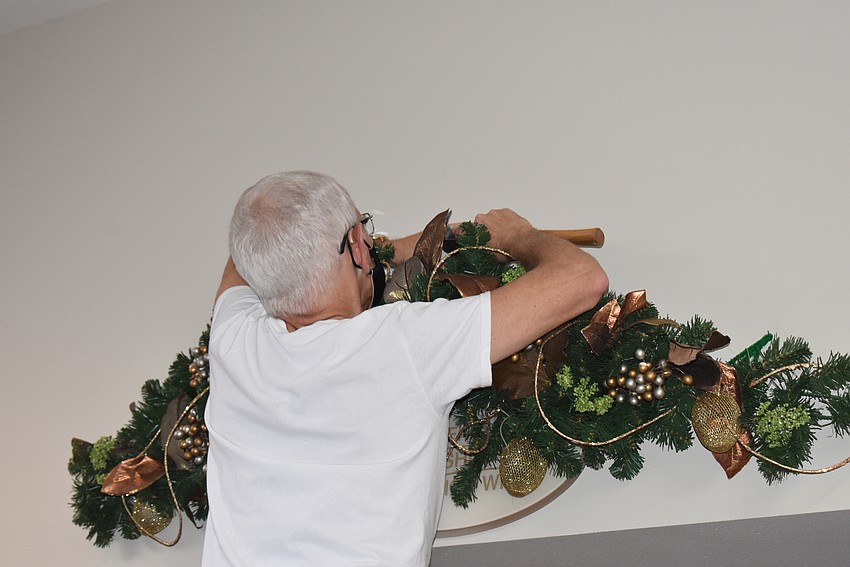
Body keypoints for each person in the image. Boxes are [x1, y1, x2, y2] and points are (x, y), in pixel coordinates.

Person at [201, 170, 608, 566]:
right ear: (358, 246)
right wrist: (518, 235)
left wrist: (365, 244)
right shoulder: (402, 343)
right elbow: (581, 278)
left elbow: (248, 247)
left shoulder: (233, 344)